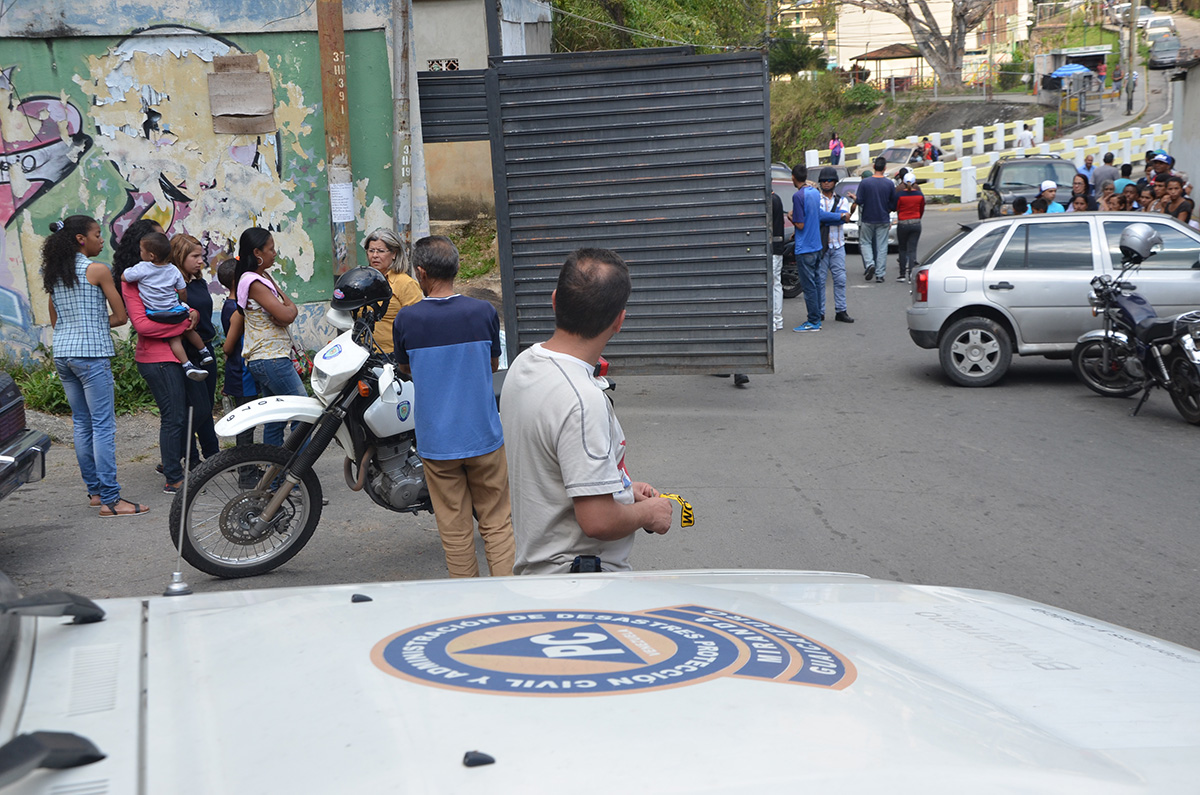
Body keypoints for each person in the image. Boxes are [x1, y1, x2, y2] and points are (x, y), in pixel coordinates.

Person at [499, 248, 673, 575]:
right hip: (580, 587)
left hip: (539, 575)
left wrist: (619, 491)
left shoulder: (525, 365)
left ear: (554, 300)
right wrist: (649, 513)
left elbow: (553, 467)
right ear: (619, 320)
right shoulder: (582, 400)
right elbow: (598, 520)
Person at [392, 236, 515, 578]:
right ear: (456, 269)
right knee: (497, 523)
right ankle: (509, 595)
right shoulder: (483, 312)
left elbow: (406, 370)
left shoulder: (407, 320)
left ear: (421, 272)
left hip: (438, 443)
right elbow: (492, 364)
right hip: (485, 436)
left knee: (455, 530)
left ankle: (468, 602)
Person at [42, 216, 147, 518]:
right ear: (80, 239)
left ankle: (96, 492)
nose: (102, 240)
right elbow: (120, 316)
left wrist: (76, 328)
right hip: (91, 355)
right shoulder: (97, 270)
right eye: (97, 234)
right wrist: (97, 326)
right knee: (102, 425)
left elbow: (55, 319)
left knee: (81, 423)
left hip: (63, 354)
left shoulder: (55, 271)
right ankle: (112, 501)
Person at [235, 227, 305, 448]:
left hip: (268, 358)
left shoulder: (262, 276)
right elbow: (286, 313)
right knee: (304, 414)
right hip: (271, 358)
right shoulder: (253, 281)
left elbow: (287, 311)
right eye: (271, 249)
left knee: (276, 420)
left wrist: (287, 311)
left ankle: (275, 478)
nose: (275, 253)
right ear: (257, 252)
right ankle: (296, 471)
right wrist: (287, 312)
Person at [121, 232, 212, 382]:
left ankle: (187, 365)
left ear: (151, 256)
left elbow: (125, 277)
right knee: (186, 328)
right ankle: (204, 351)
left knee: (174, 338)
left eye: (141, 251)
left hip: (155, 313)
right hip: (175, 310)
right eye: (195, 256)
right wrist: (184, 305)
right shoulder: (173, 270)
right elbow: (182, 291)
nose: (200, 261)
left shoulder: (142, 268)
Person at [171, 233, 220, 468]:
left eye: (201, 255)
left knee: (207, 406)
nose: (201, 261)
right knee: (195, 409)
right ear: (180, 256)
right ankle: (189, 459)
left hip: (207, 347)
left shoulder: (199, 282)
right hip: (186, 351)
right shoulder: (171, 285)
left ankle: (213, 456)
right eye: (195, 256)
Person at [788, 163, 847, 332]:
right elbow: (819, 215)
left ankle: (813, 321)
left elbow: (800, 224)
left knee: (809, 286)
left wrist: (791, 217)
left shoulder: (798, 196)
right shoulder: (814, 193)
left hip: (804, 247)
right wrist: (840, 216)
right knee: (816, 283)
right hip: (816, 246)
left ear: (793, 177)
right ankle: (816, 317)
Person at [217, 257, 258, 459]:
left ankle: (248, 468)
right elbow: (228, 345)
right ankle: (246, 473)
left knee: (248, 424)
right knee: (246, 426)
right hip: (242, 375)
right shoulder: (236, 310)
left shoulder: (230, 305)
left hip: (240, 372)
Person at [363, 228, 422, 355]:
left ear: (394, 254)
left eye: (380, 251)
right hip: (362, 353)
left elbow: (418, 324)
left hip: (393, 356)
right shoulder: (363, 281)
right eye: (371, 251)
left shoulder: (405, 284)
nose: (374, 256)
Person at [816, 166, 854, 323]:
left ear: (835, 182)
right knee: (820, 280)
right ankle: (819, 311)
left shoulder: (843, 200)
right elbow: (820, 217)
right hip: (822, 246)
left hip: (838, 245)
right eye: (824, 180)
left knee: (840, 279)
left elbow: (845, 218)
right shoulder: (817, 199)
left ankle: (841, 310)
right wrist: (837, 216)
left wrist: (829, 217)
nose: (826, 183)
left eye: (830, 180)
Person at [856, 156, 898, 283]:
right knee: (882, 246)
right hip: (883, 218)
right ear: (885, 168)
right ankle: (880, 274)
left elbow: (860, 201)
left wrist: (854, 198)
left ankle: (870, 264)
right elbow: (893, 204)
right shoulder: (889, 184)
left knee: (865, 242)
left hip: (867, 218)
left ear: (874, 167)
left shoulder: (865, 183)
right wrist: (887, 210)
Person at [895, 172, 925, 282]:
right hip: (916, 222)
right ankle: (911, 275)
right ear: (915, 183)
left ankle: (902, 274)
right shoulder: (919, 195)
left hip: (903, 223)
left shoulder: (900, 195)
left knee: (902, 249)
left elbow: (896, 207)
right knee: (912, 250)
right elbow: (921, 209)